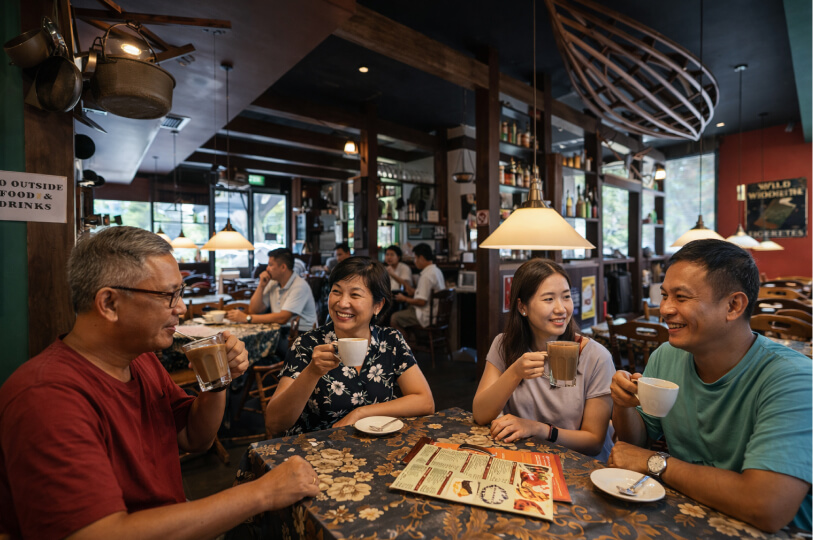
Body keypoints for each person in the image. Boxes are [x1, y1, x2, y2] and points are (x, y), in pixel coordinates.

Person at [0, 227, 319, 540]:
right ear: (109, 303)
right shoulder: (47, 397)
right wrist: (262, 493)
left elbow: (195, 438)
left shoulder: (140, 359)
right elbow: (96, 532)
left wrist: (217, 380)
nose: (180, 308)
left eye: (180, 294)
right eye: (169, 295)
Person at [609, 239, 811, 533]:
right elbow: (636, 443)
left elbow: (767, 506)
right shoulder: (667, 356)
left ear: (733, 305)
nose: (665, 309)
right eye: (664, 295)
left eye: (681, 297)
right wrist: (623, 404)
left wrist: (657, 463)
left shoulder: (793, 379)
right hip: (688, 514)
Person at [264, 257, 434, 436]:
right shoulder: (308, 344)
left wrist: (360, 413)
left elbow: (425, 402)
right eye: (336, 292)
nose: (342, 303)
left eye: (355, 295)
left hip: (379, 447)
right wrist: (313, 372)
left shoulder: (390, 341)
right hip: (320, 450)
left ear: (378, 305)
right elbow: (274, 423)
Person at [472, 258, 614, 461]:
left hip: (580, 468)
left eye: (566, 297)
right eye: (548, 299)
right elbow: (480, 414)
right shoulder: (504, 345)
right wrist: (514, 372)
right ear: (523, 307)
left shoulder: (596, 357)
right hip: (526, 461)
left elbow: (593, 442)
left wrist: (539, 429)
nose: (561, 309)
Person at [226, 247, 317, 357]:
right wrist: (261, 286)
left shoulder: (299, 285)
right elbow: (254, 310)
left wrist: (247, 318)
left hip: (302, 337)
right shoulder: (273, 282)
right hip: (281, 331)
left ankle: (254, 371)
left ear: (283, 267)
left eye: (270, 265)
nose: (267, 269)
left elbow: (283, 318)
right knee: (244, 348)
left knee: (248, 348)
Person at [390, 243, 445, 335]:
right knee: (405, 310)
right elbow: (428, 293)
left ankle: (405, 346)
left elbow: (421, 302)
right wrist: (415, 292)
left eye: (415, 258)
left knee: (394, 318)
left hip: (425, 315)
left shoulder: (426, 276)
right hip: (436, 314)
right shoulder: (436, 271)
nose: (415, 261)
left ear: (421, 258)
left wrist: (404, 299)